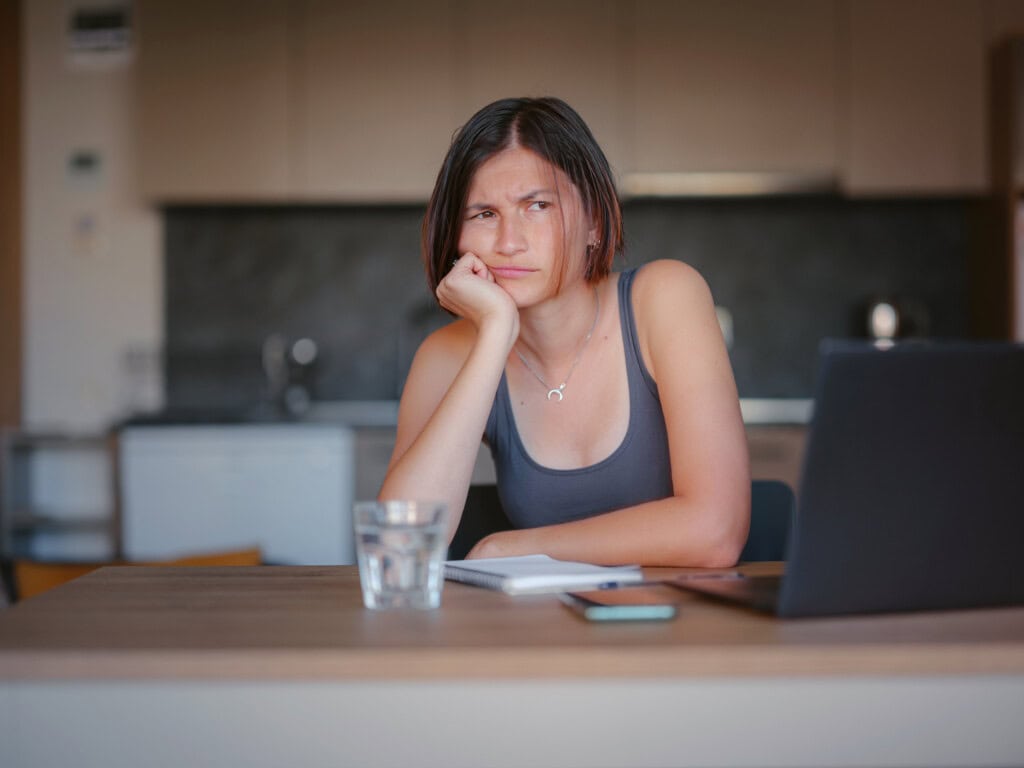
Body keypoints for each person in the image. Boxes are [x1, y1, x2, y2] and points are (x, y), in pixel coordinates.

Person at [379, 97, 750, 566]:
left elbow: (716, 531)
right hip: (546, 634)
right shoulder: (447, 353)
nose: (508, 243)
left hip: (684, 628)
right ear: (457, 236)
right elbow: (397, 549)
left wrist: (508, 547)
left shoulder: (666, 296)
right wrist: (495, 334)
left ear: (595, 220)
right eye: (484, 214)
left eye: (537, 205)